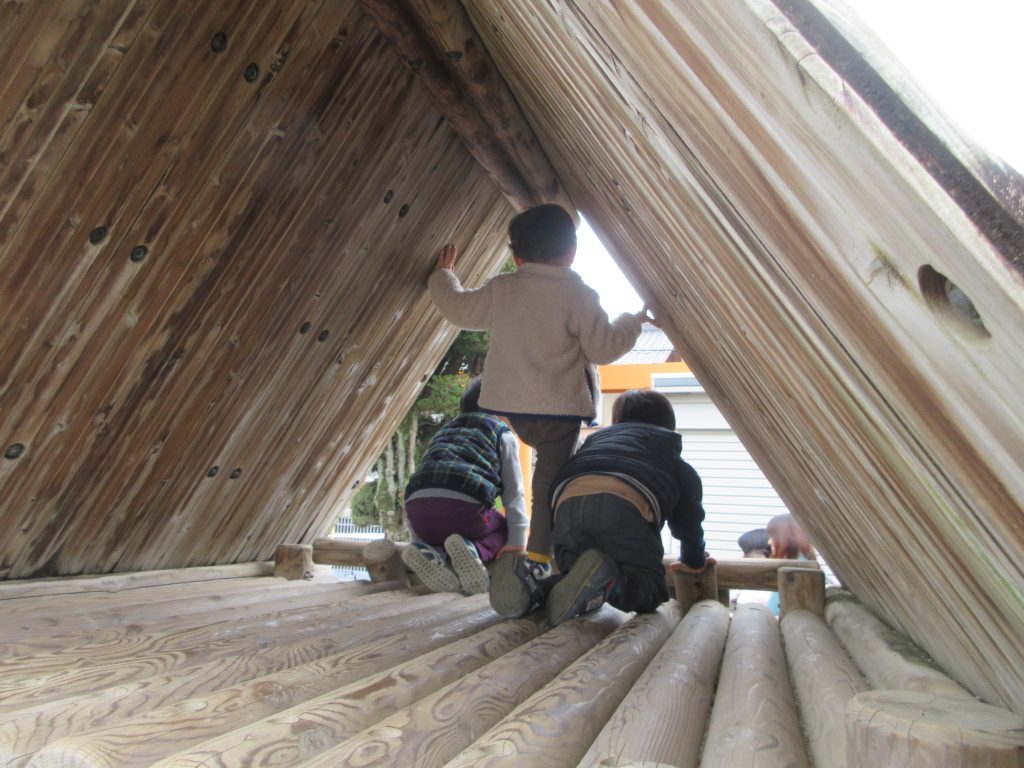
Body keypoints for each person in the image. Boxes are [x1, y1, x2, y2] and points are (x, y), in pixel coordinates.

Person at [428, 203, 648, 571]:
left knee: (502, 474)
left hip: (508, 406)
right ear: (572, 251)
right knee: (545, 488)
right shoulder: (580, 295)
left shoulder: (503, 288)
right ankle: (538, 560)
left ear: (514, 255)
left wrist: (444, 276)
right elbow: (604, 348)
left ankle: (475, 535)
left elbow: (459, 309)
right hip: (559, 413)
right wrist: (632, 321)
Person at [488, 388, 712, 625]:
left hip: (566, 506)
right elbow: (689, 524)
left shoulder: (594, 442)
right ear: (669, 425)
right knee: (650, 588)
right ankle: (610, 582)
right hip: (622, 507)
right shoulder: (670, 456)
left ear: (617, 421)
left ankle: (531, 589)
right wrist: (694, 561)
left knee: (574, 578)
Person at [401, 377, 528, 595]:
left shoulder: (445, 431)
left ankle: (426, 551)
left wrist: (418, 538)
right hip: (464, 510)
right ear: (504, 408)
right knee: (502, 526)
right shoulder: (502, 434)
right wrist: (517, 540)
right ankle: (475, 551)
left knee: (442, 522)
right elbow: (514, 494)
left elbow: (424, 478)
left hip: (418, 512)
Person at [765, 513, 817, 615]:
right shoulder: (804, 560)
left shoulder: (796, 567)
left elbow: (776, 607)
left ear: (786, 537)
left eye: (773, 536)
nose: (769, 542)